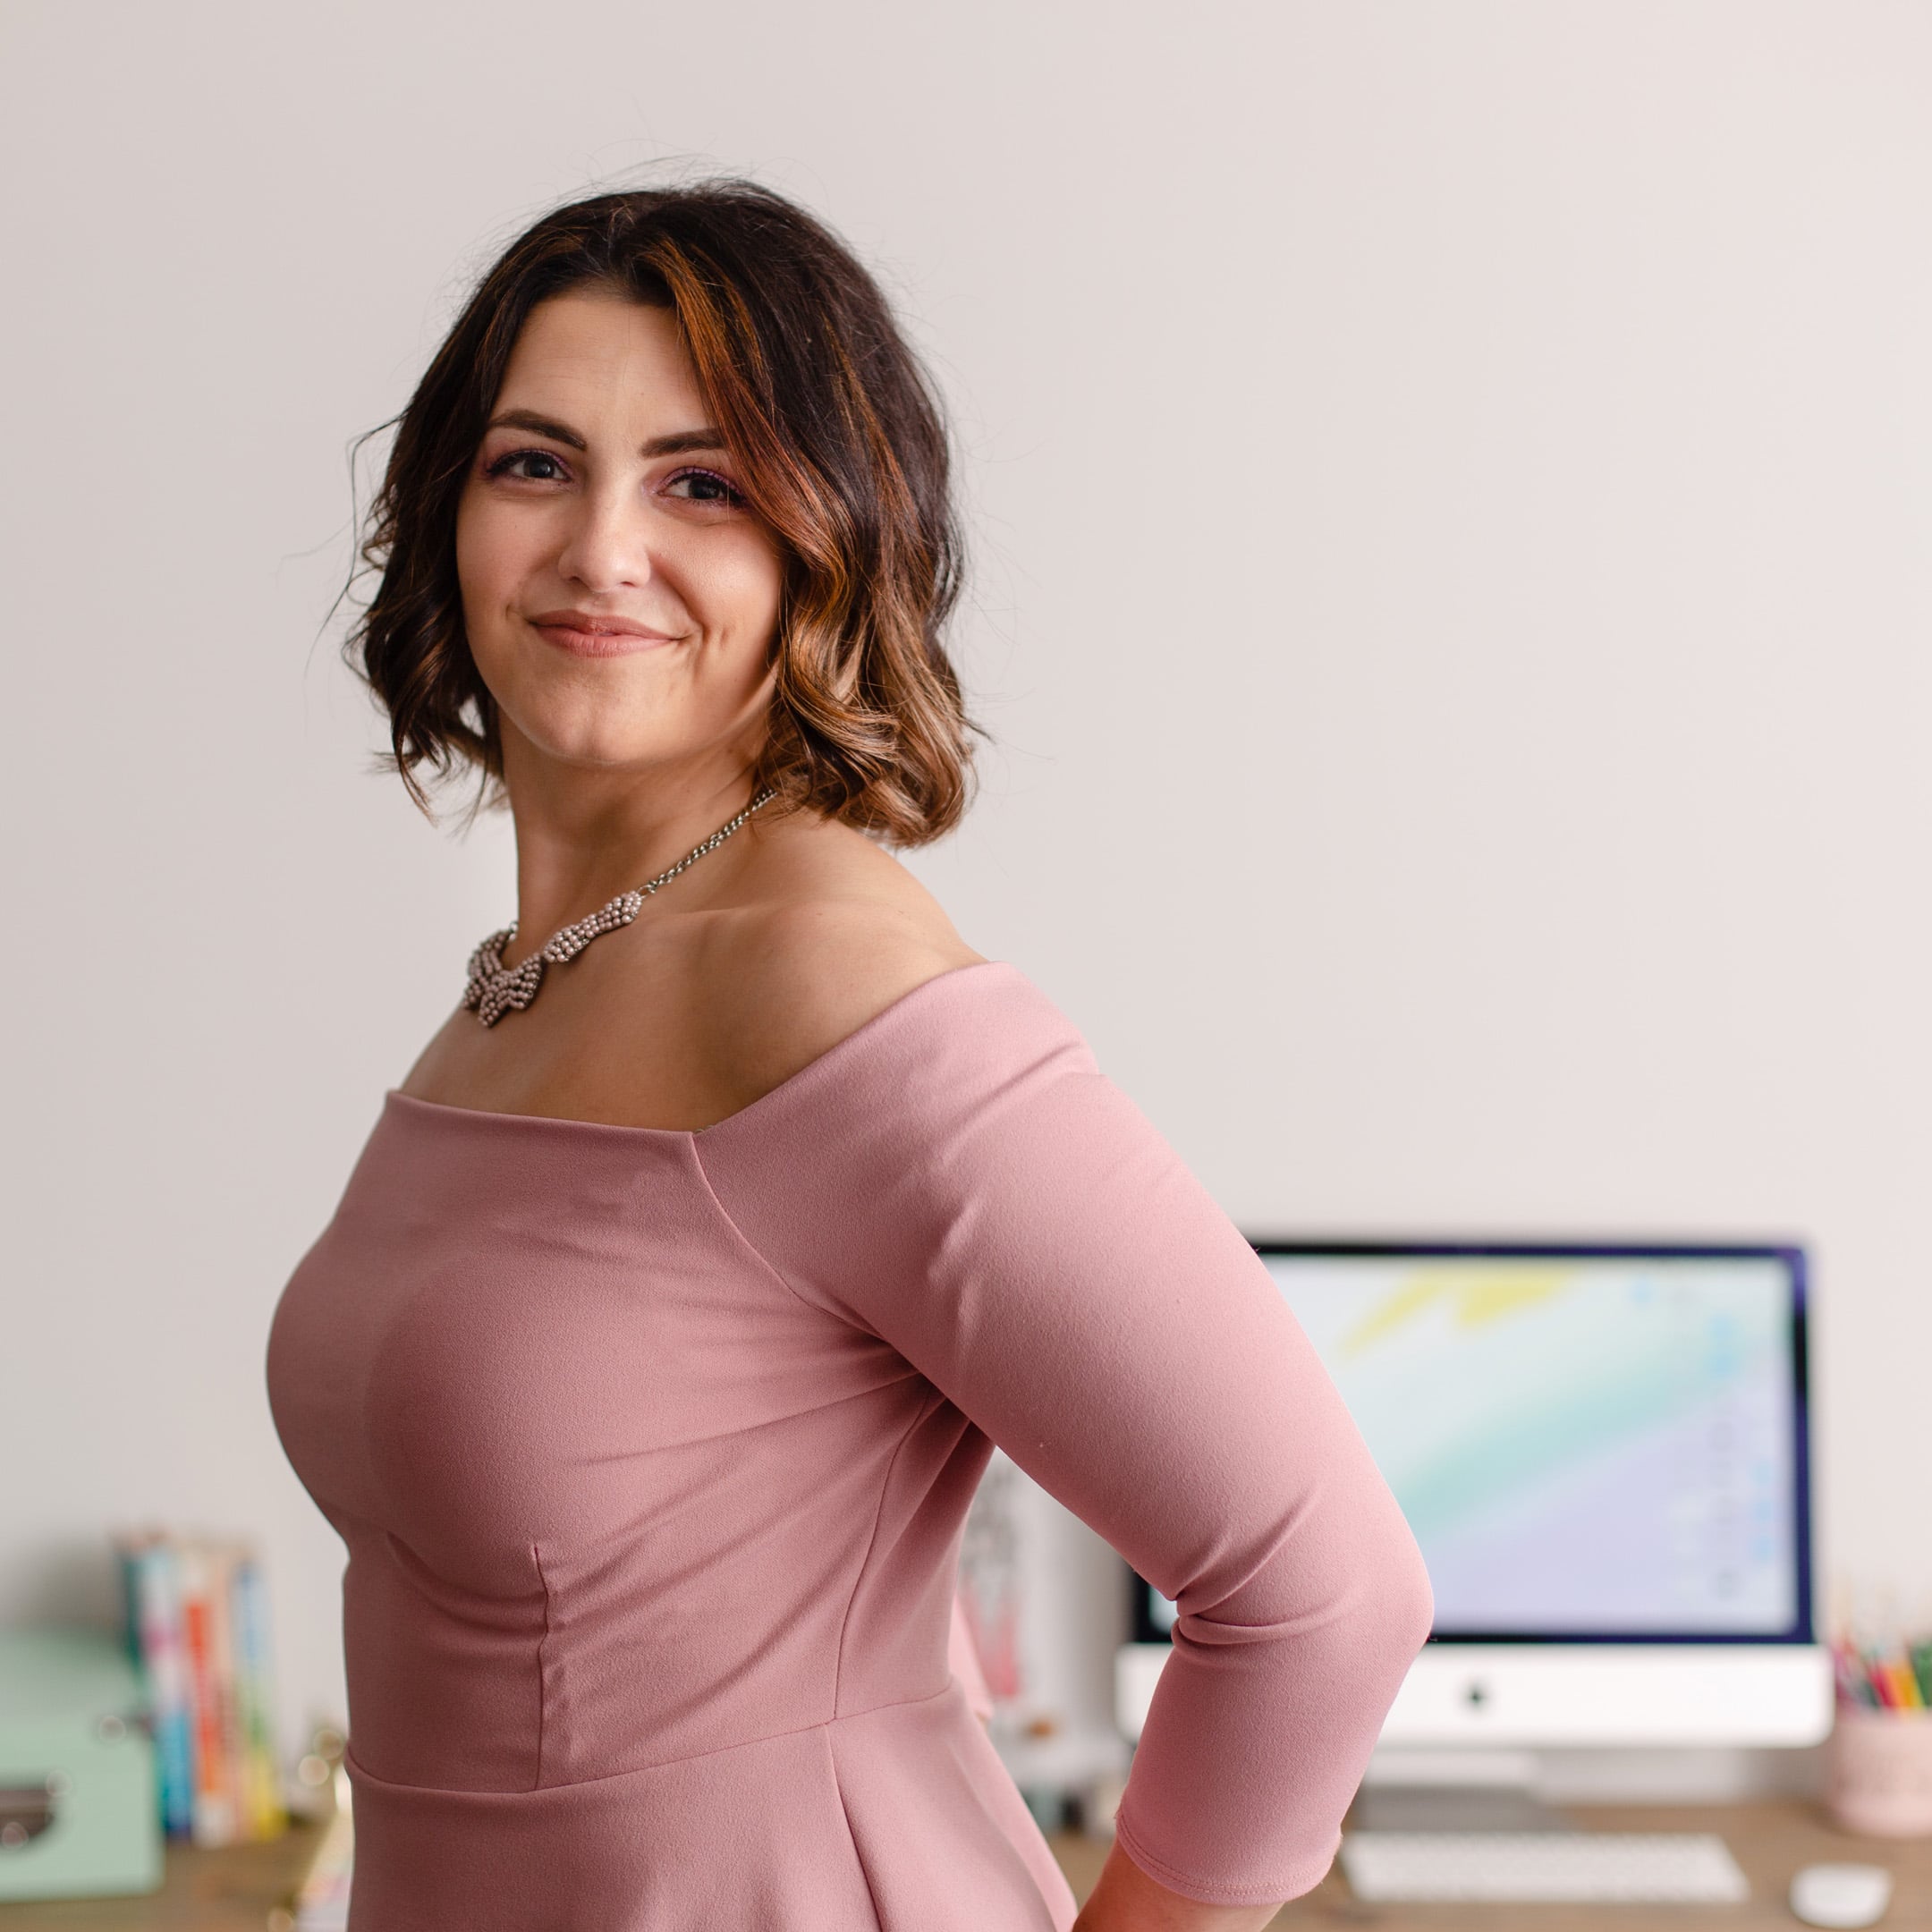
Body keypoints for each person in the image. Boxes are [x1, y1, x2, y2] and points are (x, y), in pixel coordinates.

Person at [265, 181, 1433, 1932]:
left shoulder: (821, 980)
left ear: (829, 542)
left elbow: (1324, 1590)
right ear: (444, 509)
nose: (600, 548)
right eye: (533, 463)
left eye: (702, 482)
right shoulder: (523, 986)